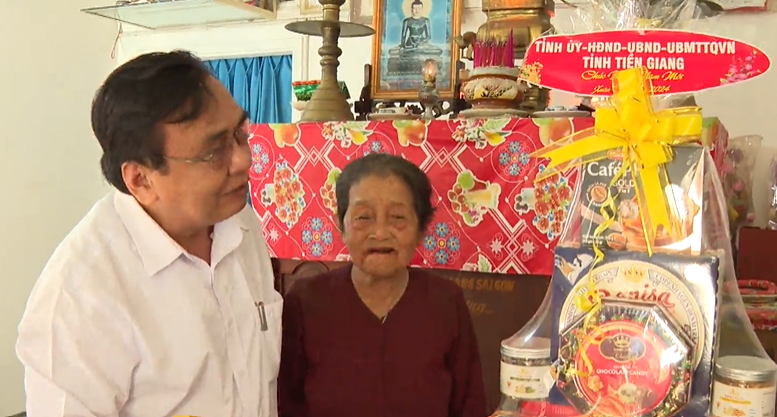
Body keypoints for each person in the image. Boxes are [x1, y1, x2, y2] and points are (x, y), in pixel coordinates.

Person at [16, 51, 282, 417]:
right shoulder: (80, 298)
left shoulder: (239, 223)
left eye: (240, 134)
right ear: (140, 179)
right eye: (213, 151)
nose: (243, 160)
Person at [278, 153, 487, 417]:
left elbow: (470, 406)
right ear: (341, 226)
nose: (379, 233)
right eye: (363, 218)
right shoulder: (306, 301)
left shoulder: (445, 302)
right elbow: (285, 403)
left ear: (421, 229)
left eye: (397, 217)